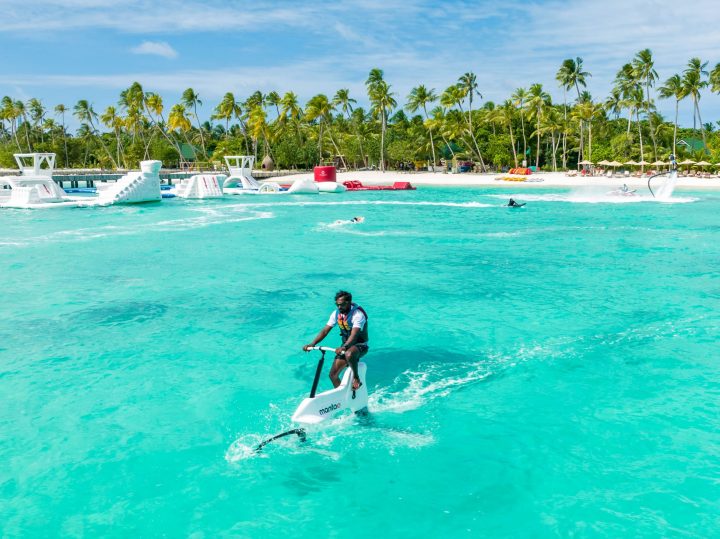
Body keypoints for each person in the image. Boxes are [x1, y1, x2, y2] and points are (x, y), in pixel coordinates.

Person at [303, 290, 368, 390]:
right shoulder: (336, 314)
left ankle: (356, 378)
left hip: (360, 345)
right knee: (333, 375)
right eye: (337, 305)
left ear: (349, 302)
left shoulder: (358, 314)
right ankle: (342, 395)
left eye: (341, 305)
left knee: (349, 354)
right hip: (346, 346)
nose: (339, 307)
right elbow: (325, 331)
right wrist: (312, 343)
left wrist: (344, 347)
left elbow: (354, 335)